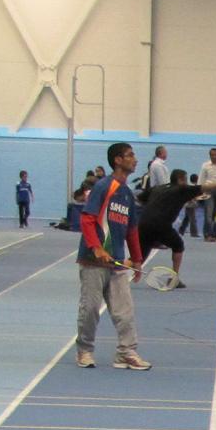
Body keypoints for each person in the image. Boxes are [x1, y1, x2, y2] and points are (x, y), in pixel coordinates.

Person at [74, 141, 151, 371]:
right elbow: (87, 218)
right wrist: (96, 247)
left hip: (117, 262)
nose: (134, 159)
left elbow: (132, 229)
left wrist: (137, 259)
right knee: (90, 309)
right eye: (130, 155)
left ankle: (126, 353)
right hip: (93, 261)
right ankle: (85, 350)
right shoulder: (103, 186)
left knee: (124, 311)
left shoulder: (127, 194)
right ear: (118, 160)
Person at [138, 170, 206, 290]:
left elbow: (139, 199)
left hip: (143, 223)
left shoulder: (158, 188)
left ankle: (116, 272)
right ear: (180, 179)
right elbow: (207, 187)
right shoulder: (181, 190)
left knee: (140, 257)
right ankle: (174, 278)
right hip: (161, 225)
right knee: (178, 245)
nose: (186, 182)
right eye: (185, 179)